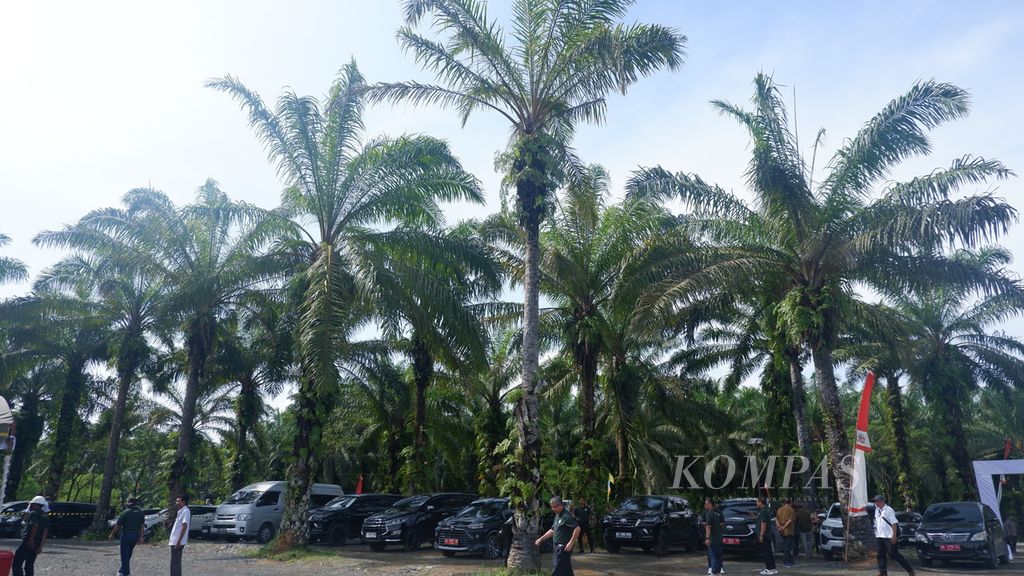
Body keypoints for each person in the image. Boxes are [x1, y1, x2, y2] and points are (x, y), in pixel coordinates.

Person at [535, 496, 580, 576]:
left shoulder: (566, 516)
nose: (552, 509)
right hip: (557, 547)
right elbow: (552, 530)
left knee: (556, 569)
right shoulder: (557, 516)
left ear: (560, 505)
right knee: (566, 570)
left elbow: (577, 528)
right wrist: (541, 538)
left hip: (563, 548)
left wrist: (571, 543)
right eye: (551, 507)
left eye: (554, 507)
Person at [873, 494, 914, 576]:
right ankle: (883, 573)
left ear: (882, 501)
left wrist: (894, 535)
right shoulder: (877, 510)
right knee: (880, 555)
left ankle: (910, 570)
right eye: (875, 501)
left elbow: (894, 523)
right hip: (880, 536)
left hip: (889, 536)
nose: (876, 503)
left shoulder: (889, 510)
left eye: (877, 501)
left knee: (894, 554)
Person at [13, 496, 49, 576]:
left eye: (32, 504)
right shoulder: (45, 516)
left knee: (17, 562)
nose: (31, 505)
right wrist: (41, 546)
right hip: (38, 543)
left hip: (29, 541)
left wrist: (31, 540)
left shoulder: (33, 514)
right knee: (29, 564)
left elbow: (35, 525)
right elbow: (45, 532)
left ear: (36, 504)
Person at [109, 496, 145, 576]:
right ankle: (121, 571)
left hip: (126, 535)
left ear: (128, 504)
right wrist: (141, 537)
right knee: (128, 554)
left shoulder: (125, 512)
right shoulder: (140, 512)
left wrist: (112, 534)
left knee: (124, 555)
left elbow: (118, 525)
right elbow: (142, 525)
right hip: (136, 535)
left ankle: (126, 573)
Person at [169, 494, 191, 576]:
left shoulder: (186, 511)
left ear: (183, 502)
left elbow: (184, 526)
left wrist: (179, 541)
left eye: (178, 501)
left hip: (178, 541)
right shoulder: (180, 511)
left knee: (176, 563)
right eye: (176, 501)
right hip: (174, 541)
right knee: (174, 562)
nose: (176, 502)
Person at [755, 497, 777, 576]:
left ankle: (768, 569)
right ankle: (773, 568)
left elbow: (763, 524)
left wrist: (761, 535)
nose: (756, 503)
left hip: (765, 535)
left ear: (761, 502)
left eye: (757, 502)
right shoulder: (766, 510)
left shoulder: (763, 511)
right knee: (769, 552)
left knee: (766, 552)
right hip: (767, 535)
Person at [702, 498, 724, 575]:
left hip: (713, 539)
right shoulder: (716, 514)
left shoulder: (709, 514)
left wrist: (707, 538)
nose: (705, 505)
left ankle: (714, 571)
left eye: (707, 503)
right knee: (717, 555)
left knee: (713, 555)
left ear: (710, 504)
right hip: (719, 538)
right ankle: (718, 571)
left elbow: (708, 526)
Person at [775, 497, 796, 567]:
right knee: (788, 547)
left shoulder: (779, 509)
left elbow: (776, 519)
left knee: (786, 546)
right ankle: (785, 562)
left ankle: (791, 561)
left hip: (781, 530)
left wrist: (779, 527)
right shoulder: (791, 510)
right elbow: (790, 521)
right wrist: (783, 527)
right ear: (791, 503)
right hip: (789, 530)